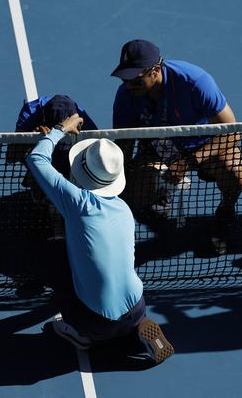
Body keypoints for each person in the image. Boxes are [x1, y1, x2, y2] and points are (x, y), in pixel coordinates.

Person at [25, 113, 174, 364]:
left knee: (52, 251)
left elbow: (37, 158)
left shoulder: (78, 203)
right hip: (138, 306)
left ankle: (80, 335)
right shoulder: (124, 211)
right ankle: (134, 326)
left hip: (94, 322)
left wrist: (60, 129)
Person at [111, 39, 242, 254]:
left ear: (154, 70)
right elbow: (125, 143)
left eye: (135, 80)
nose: (129, 85)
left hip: (203, 146)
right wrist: (118, 183)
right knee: (131, 195)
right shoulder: (126, 96)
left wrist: (189, 162)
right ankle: (161, 192)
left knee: (234, 173)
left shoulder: (195, 82)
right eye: (125, 79)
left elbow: (232, 131)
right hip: (158, 151)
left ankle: (226, 211)